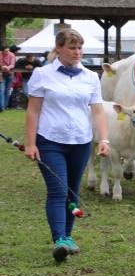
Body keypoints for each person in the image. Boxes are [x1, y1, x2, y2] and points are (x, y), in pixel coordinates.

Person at [23, 29, 110, 263]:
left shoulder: (91, 77)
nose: (77, 52)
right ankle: (59, 238)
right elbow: (33, 111)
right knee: (58, 191)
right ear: (58, 48)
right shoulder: (42, 74)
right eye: (72, 47)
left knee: (72, 191)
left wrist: (103, 139)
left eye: (80, 47)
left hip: (81, 141)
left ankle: (68, 237)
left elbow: (98, 110)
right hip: (50, 141)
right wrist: (30, 143)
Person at [0, 44, 18, 111]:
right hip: (1, 74)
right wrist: (2, 66)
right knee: (1, 90)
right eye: (6, 51)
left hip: (10, 74)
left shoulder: (12, 55)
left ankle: (5, 106)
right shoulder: (0, 54)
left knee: (7, 91)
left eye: (8, 50)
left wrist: (7, 67)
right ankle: (1, 107)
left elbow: (12, 64)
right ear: (2, 51)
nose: (7, 52)